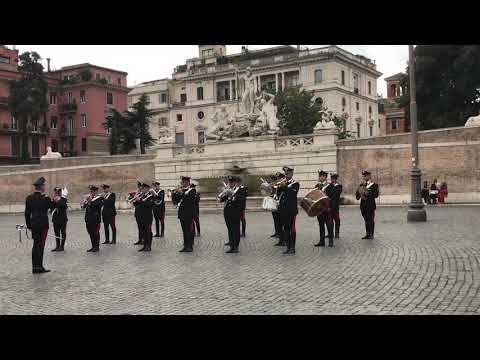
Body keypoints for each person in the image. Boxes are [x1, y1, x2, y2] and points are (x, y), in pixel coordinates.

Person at [25, 177, 54, 274]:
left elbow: (27, 213)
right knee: (40, 246)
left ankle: (35, 267)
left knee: (35, 246)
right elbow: (52, 206)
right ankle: (39, 267)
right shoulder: (45, 198)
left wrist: (29, 225)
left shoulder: (29, 198)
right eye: (44, 185)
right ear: (41, 187)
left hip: (34, 224)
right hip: (42, 225)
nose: (45, 187)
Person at [220, 176, 247, 253]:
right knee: (230, 229)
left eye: (232, 182)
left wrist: (232, 196)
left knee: (235, 229)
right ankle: (231, 245)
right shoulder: (229, 189)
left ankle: (236, 246)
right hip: (227, 212)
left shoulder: (241, 190)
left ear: (235, 182)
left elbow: (241, 199)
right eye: (229, 182)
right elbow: (223, 199)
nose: (230, 184)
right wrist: (222, 196)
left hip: (235, 212)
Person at [277, 166, 300, 255]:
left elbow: (292, 193)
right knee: (286, 229)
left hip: (291, 210)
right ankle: (288, 247)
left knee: (292, 229)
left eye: (288, 174)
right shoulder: (283, 183)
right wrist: (278, 186)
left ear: (292, 174)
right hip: (283, 210)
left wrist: (285, 186)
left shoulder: (295, 183)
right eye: (285, 174)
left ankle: (292, 248)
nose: (286, 175)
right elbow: (279, 194)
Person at [171, 176, 197, 253]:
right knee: (184, 230)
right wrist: (174, 193)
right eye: (183, 182)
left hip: (189, 213)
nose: (183, 183)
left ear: (188, 182)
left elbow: (190, 200)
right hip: (182, 213)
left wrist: (181, 193)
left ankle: (190, 246)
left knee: (189, 230)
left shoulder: (192, 190)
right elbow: (175, 201)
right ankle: (185, 246)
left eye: (185, 182)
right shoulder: (182, 190)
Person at [355, 171, 379, 240]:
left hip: (370, 206)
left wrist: (367, 192)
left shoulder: (374, 185)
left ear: (369, 176)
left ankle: (371, 234)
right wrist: (359, 192)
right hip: (363, 206)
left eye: (366, 175)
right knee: (366, 220)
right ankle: (367, 234)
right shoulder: (361, 185)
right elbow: (357, 197)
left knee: (371, 220)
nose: (364, 177)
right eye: (364, 176)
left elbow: (376, 195)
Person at [315, 170, 335, 247]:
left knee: (329, 224)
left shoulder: (330, 186)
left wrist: (330, 207)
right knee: (321, 225)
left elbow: (332, 198)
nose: (320, 178)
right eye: (319, 176)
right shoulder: (317, 186)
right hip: (319, 209)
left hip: (327, 209)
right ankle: (322, 241)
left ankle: (330, 241)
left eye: (321, 176)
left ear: (325, 177)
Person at [82, 185, 104, 252]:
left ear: (96, 191)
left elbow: (97, 207)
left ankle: (96, 247)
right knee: (90, 232)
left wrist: (90, 202)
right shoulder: (89, 198)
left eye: (92, 191)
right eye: (91, 191)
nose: (91, 193)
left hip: (95, 219)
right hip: (88, 219)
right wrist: (84, 203)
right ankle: (93, 246)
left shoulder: (100, 198)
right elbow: (83, 206)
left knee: (96, 232)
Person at [134, 183, 154, 252]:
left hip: (147, 217)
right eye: (142, 188)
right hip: (141, 217)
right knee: (143, 232)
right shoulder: (142, 195)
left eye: (144, 188)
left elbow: (149, 205)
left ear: (147, 188)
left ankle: (149, 246)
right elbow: (136, 204)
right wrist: (135, 199)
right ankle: (145, 245)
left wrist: (139, 200)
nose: (142, 189)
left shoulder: (150, 196)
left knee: (148, 231)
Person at [51, 187, 68, 252]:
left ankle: (62, 246)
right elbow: (51, 206)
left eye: (58, 191)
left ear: (61, 192)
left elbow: (63, 206)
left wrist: (58, 200)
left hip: (63, 219)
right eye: (56, 191)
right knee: (56, 233)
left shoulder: (63, 199)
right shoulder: (53, 199)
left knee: (63, 233)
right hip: (55, 219)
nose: (57, 193)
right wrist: (54, 201)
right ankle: (57, 246)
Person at [269, 172, 283, 239]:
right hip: (273, 203)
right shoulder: (274, 186)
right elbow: (272, 194)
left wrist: (273, 187)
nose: (277, 180)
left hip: (279, 205)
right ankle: (277, 232)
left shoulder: (278, 186)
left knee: (279, 220)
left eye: (278, 178)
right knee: (275, 219)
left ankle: (280, 233)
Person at [330, 173, 343, 239]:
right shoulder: (329, 186)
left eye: (333, 179)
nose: (332, 180)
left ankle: (337, 233)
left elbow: (337, 193)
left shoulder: (339, 186)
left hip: (335, 206)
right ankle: (330, 233)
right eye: (331, 178)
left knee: (337, 220)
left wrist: (332, 188)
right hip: (329, 206)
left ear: (335, 179)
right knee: (330, 220)